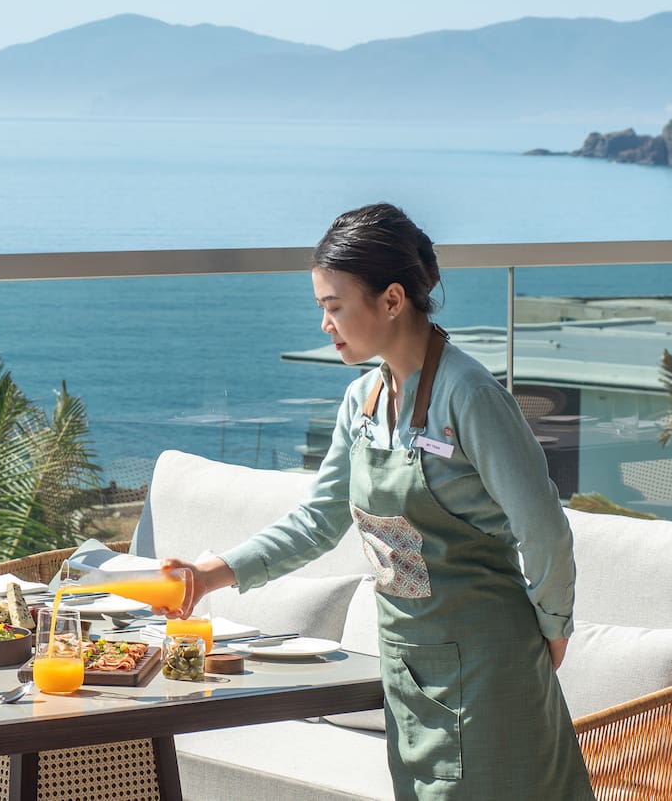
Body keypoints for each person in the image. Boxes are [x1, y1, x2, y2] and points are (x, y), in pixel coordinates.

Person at [164, 203, 594, 800]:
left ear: (392, 300)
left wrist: (553, 627)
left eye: (334, 306)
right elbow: (318, 521)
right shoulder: (362, 401)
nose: (325, 324)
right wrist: (210, 574)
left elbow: (543, 526)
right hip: (407, 669)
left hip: (489, 667)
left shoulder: (468, 395)